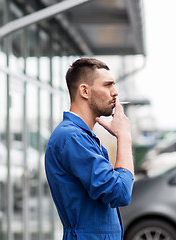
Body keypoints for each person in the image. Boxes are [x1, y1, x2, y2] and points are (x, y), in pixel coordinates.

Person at [44, 58, 134, 240]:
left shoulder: (83, 137)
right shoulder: (72, 138)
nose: (115, 93)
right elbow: (120, 192)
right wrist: (124, 137)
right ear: (85, 91)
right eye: (108, 85)